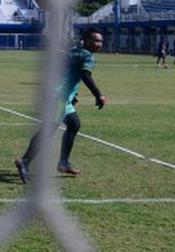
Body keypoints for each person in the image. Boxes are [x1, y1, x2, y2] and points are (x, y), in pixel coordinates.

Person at [14, 29, 107, 184]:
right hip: (57, 97)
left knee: (73, 125)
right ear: (86, 40)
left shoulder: (75, 52)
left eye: (101, 41)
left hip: (61, 96)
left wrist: (72, 93)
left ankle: (64, 163)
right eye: (96, 40)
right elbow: (86, 76)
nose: (99, 44)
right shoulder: (88, 56)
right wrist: (99, 95)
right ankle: (25, 161)